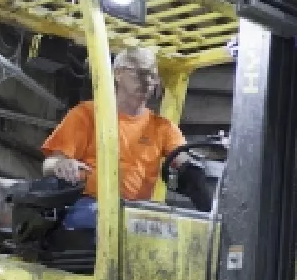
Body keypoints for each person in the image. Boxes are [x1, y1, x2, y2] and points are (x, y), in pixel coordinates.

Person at [40, 46, 189, 232]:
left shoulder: (163, 128)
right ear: (118, 73)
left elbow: (185, 163)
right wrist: (60, 165)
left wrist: (192, 171)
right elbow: (49, 164)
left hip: (137, 211)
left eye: (152, 76)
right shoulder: (87, 114)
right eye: (140, 73)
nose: (147, 82)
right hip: (91, 204)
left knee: (176, 230)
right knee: (111, 221)